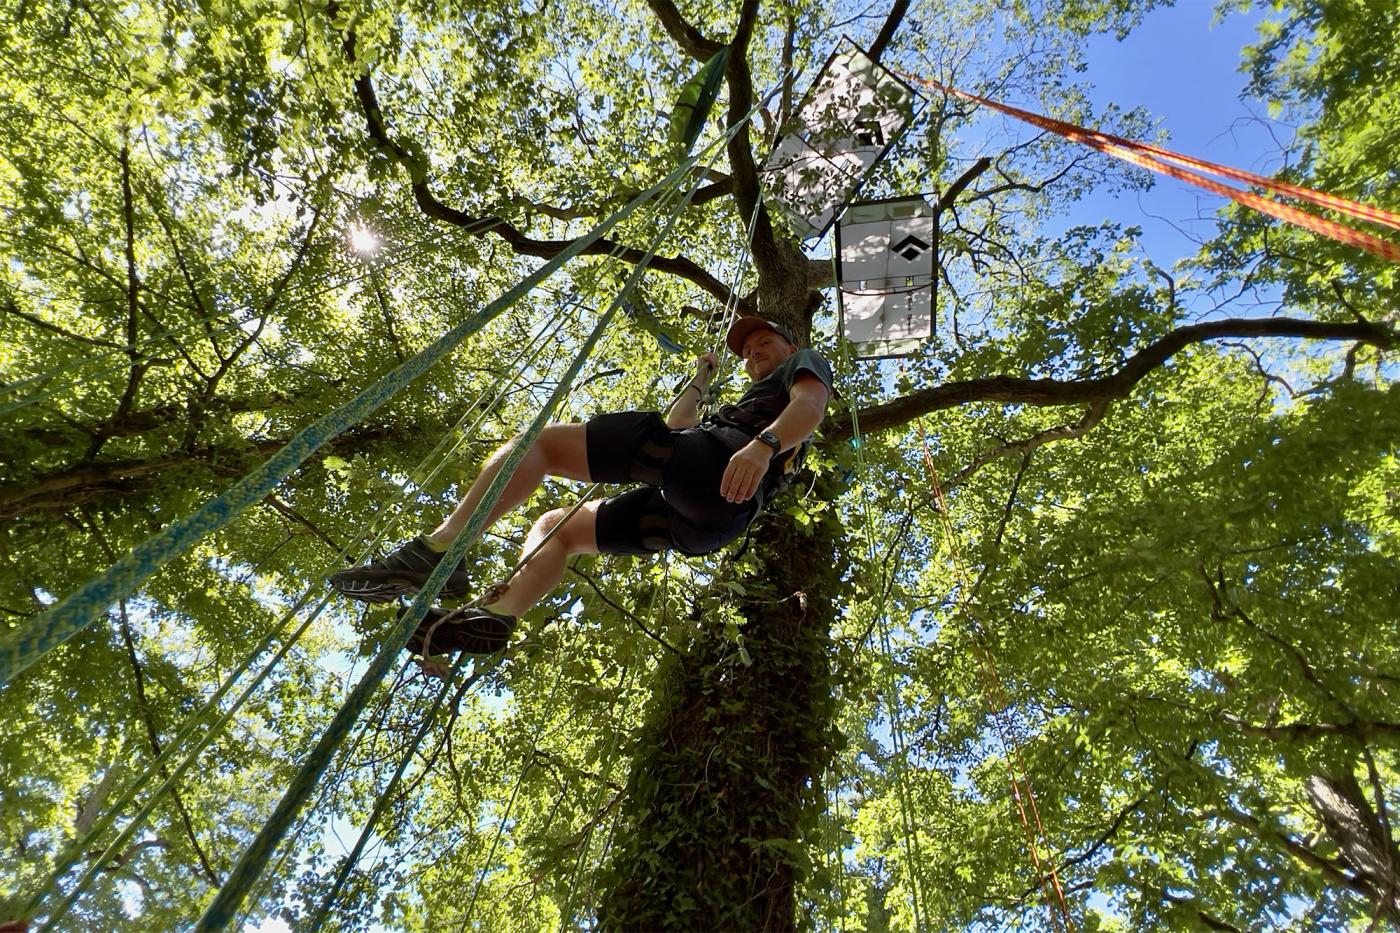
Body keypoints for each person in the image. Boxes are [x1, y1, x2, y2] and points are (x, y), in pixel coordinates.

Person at [329, 315, 834, 664]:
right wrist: (702, 379)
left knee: (540, 447)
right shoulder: (747, 396)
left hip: (725, 465)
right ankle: (500, 614)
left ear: (790, 346)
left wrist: (763, 445)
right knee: (557, 528)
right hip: (704, 518)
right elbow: (678, 426)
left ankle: (439, 549)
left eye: (763, 342)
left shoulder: (802, 363)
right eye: (746, 351)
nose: (753, 352)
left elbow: (810, 408)